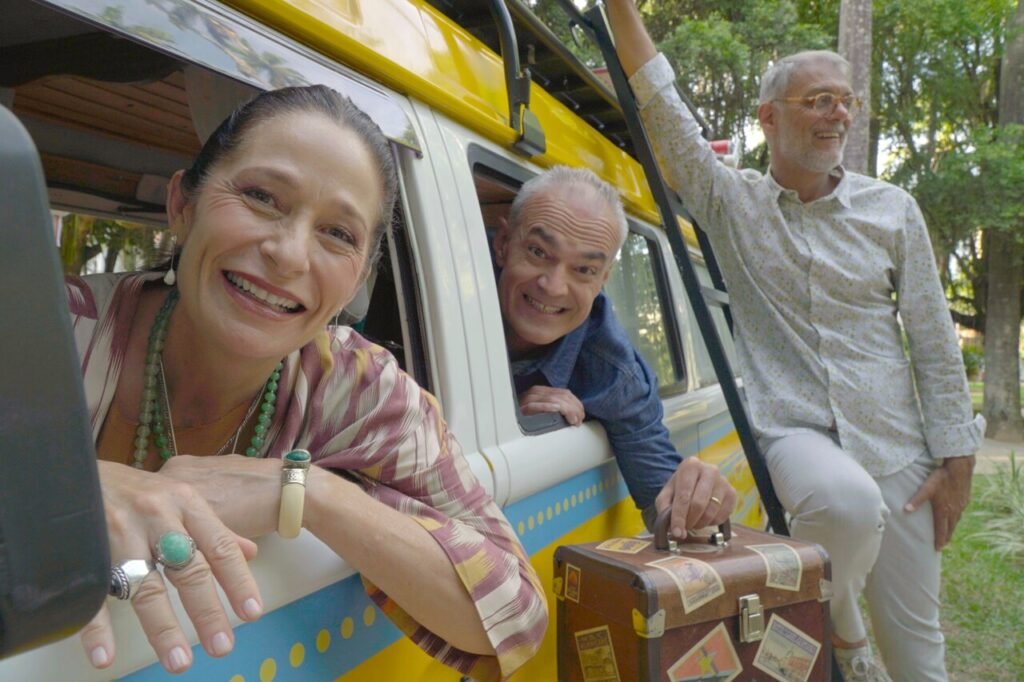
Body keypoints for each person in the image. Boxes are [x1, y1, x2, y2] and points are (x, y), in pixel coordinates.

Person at [69, 84, 546, 680]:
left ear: (358, 281)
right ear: (182, 205)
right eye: (261, 197)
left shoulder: (356, 388)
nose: (290, 255)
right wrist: (61, 495)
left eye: (338, 234)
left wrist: (306, 491)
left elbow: (516, 616)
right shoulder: (45, 329)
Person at [605, 2, 985, 681]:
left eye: (846, 101)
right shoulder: (731, 202)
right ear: (769, 117)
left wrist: (956, 462)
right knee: (843, 504)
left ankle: (850, 624)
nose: (838, 114)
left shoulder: (892, 210)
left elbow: (933, 340)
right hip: (795, 427)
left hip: (897, 442)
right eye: (818, 100)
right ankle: (843, 629)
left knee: (918, 652)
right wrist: (618, 9)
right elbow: (662, 103)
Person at [492, 165, 738, 538]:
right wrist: (505, 409)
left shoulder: (613, 371)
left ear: (603, 280)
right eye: (538, 252)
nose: (553, 286)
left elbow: (664, 503)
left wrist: (695, 499)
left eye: (584, 270)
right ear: (502, 244)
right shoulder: (426, 284)